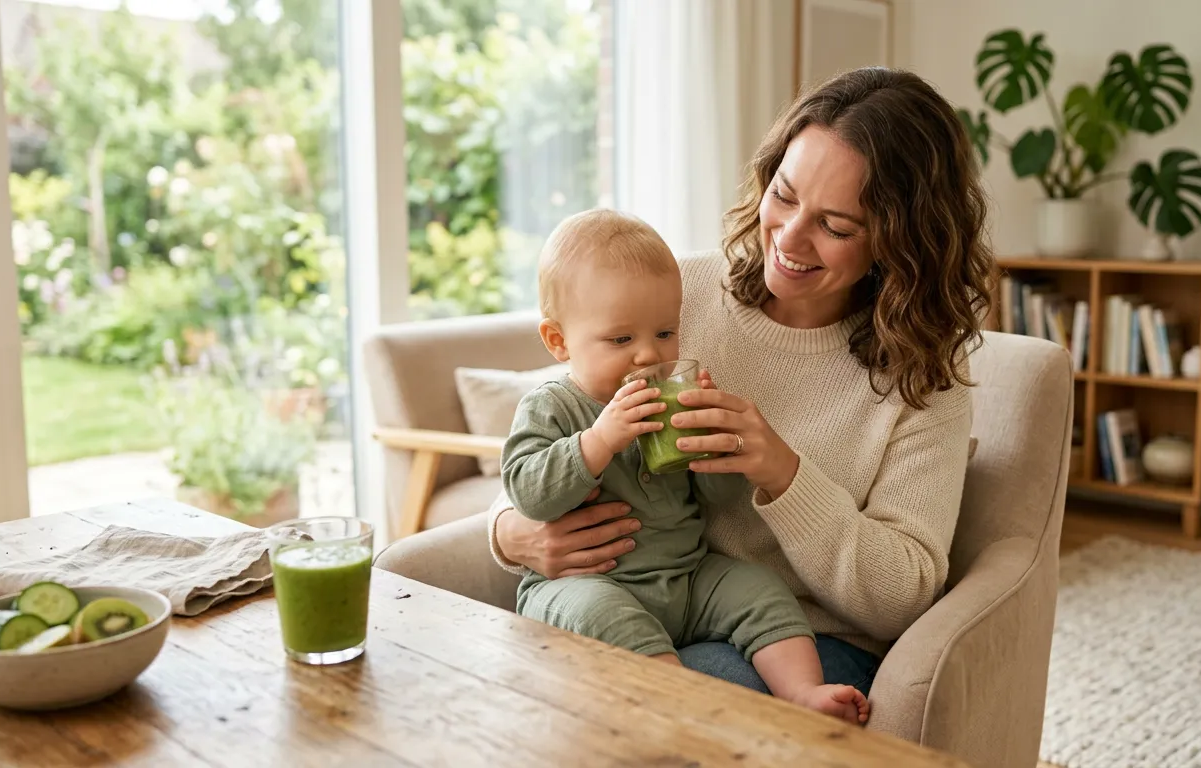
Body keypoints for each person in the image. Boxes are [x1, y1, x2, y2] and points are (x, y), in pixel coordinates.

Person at [380, 66, 993, 699]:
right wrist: (514, 534)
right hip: (630, 595)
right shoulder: (678, 294)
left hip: (801, 637)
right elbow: (553, 427)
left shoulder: (925, 374)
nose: (789, 236)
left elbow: (906, 593)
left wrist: (781, 472)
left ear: (900, 242)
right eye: (783, 196)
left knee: (653, 713)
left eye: (836, 227)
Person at [501, 208, 870, 723]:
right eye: (621, 340)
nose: (648, 356)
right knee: (602, 614)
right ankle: (671, 696)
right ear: (559, 341)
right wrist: (599, 440)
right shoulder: (552, 407)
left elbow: (715, 503)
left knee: (757, 588)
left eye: (665, 334)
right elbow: (526, 490)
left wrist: (714, 451)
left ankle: (804, 691)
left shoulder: (670, 399)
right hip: (589, 585)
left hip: (687, 576)